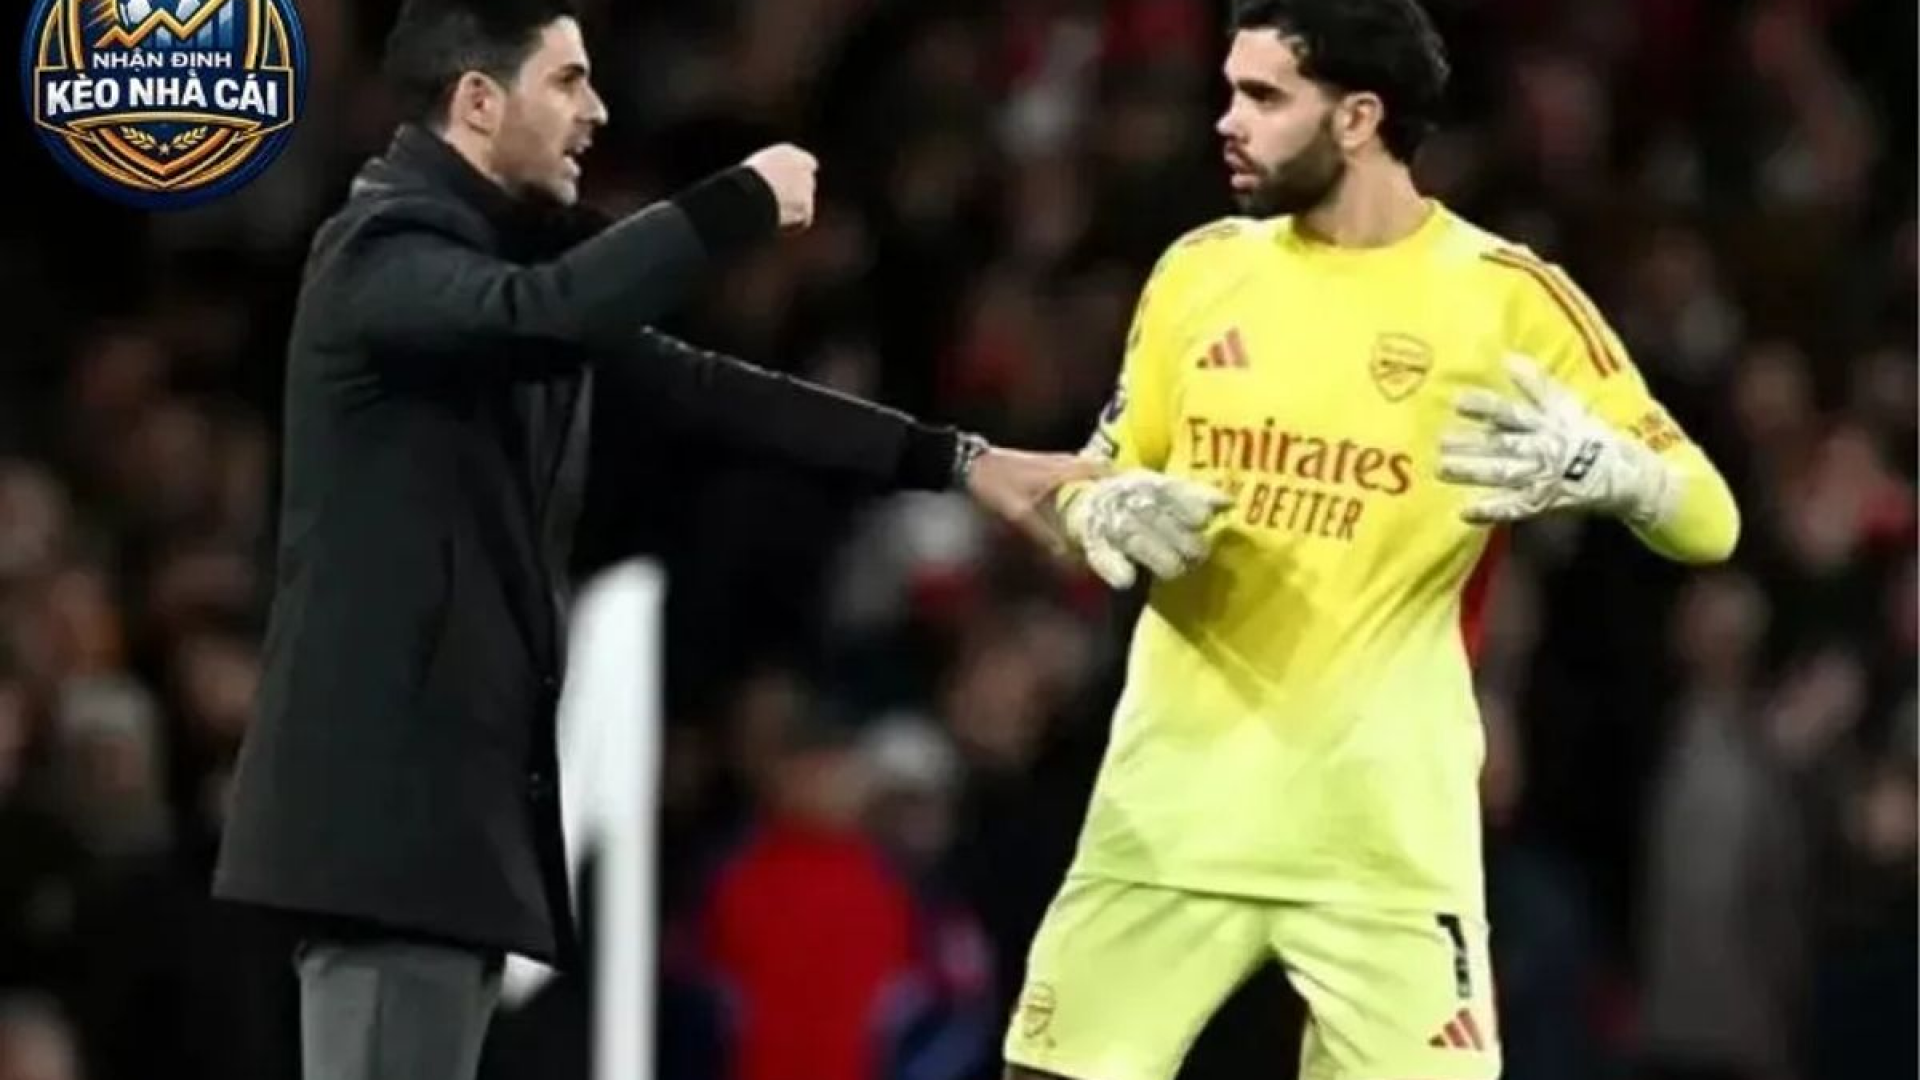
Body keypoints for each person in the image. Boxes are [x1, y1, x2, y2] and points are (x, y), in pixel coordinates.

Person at [208, 1, 1100, 1077]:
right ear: (478, 102)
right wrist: (738, 200)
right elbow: (541, 312)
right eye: (567, 81)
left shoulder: (503, 265)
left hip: (443, 827)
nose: (597, 109)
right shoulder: (382, 253)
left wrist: (962, 462)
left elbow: (710, 389)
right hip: (386, 827)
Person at [1008, 2, 1742, 1079]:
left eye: (1263, 96)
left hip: (1384, 849)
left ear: (1358, 117)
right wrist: (1092, 512)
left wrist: (1616, 473)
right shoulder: (1199, 271)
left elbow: (1711, 518)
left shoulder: (1508, 299)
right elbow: (1097, 473)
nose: (1226, 120)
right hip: (1168, 819)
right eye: (1229, 90)